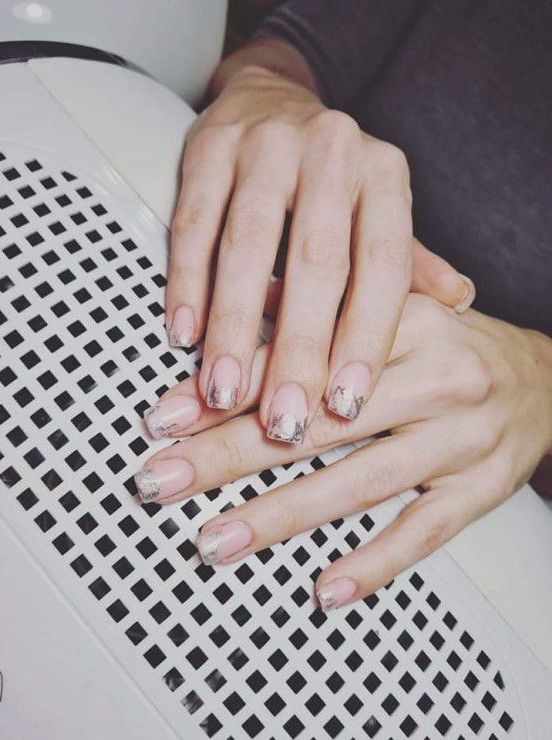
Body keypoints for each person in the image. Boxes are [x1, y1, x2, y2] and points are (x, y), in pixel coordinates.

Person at [134, 0, 552, 611]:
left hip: (467, 479)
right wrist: (270, 94)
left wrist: (540, 377)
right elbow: (284, 51)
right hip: (243, 287)